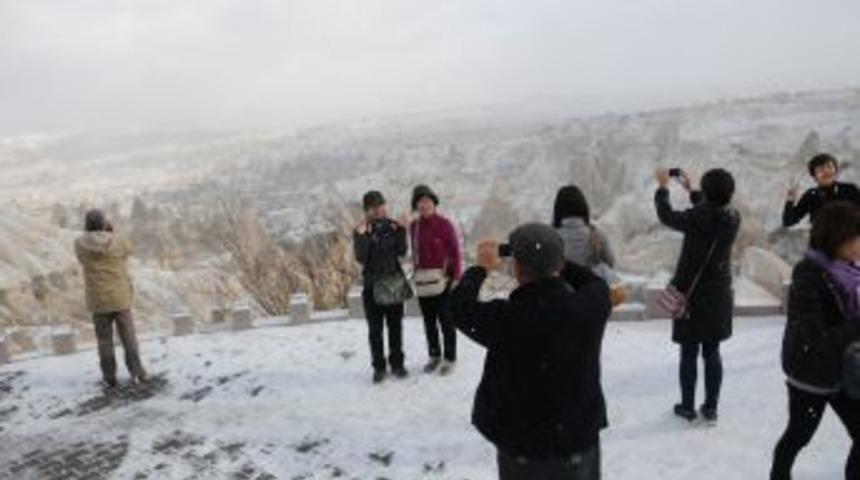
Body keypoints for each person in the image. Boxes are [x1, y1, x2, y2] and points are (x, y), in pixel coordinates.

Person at [449, 223, 612, 480]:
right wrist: (553, 258)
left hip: (523, 447)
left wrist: (480, 268)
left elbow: (458, 307)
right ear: (558, 264)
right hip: (578, 441)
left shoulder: (507, 319)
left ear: (517, 268)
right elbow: (593, 281)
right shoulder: (592, 304)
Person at [770, 202, 860, 480]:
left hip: (845, 371)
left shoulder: (851, 269)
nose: (859, 245)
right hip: (812, 373)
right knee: (798, 436)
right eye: (855, 239)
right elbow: (816, 337)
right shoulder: (808, 274)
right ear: (836, 237)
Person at [654, 168, 741, 422]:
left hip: (690, 292)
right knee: (712, 351)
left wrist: (662, 188)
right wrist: (692, 190)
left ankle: (687, 406)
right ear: (730, 192)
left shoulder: (696, 217)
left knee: (689, 351)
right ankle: (711, 407)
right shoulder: (733, 217)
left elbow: (666, 215)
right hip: (718, 292)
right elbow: (711, 206)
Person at [74, 209, 147, 388]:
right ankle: (136, 372)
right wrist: (110, 232)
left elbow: (82, 259)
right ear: (103, 222)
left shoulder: (80, 243)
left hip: (98, 300)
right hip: (120, 297)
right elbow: (129, 250)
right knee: (128, 338)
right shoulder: (119, 240)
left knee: (104, 341)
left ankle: (109, 377)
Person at [353, 191, 410, 384]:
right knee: (375, 330)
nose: (378, 210)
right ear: (367, 210)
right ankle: (379, 367)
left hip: (393, 283)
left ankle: (398, 364)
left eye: (381, 205)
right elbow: (362, 258)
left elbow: (402, 251)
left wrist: (402, 230)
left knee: (395, 327)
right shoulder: (362, 229)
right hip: (372, 286)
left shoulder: (394, 226)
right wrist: (361, 237)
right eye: (374, 207)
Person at [408, 185, 462, 375]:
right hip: (423, 281)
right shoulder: (414, 226)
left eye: (428, 201)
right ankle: (434, 356)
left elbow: (455, 251)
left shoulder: (445, 224)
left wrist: (456, 276)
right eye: (420, 202)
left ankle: (449, 358)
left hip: (443, 280)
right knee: (429, 322)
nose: (424, 205)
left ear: (434, 203)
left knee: (446, 321)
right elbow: (414, 253)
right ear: (416, 205)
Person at [553, 185, 626, 306]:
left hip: (560, 298)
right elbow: (610, 262)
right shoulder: (596, 234)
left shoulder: (550, 236)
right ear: (583, 208)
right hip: (590, 298)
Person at [783, 153, 860, 228]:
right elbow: (788, 221)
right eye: (821, 169)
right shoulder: (811, 195)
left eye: (829, 167)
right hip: (824, 239)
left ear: (836, 171)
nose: (826, 171)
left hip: (850, 237)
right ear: (814, 176)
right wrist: (790, 199)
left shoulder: (850, 189)